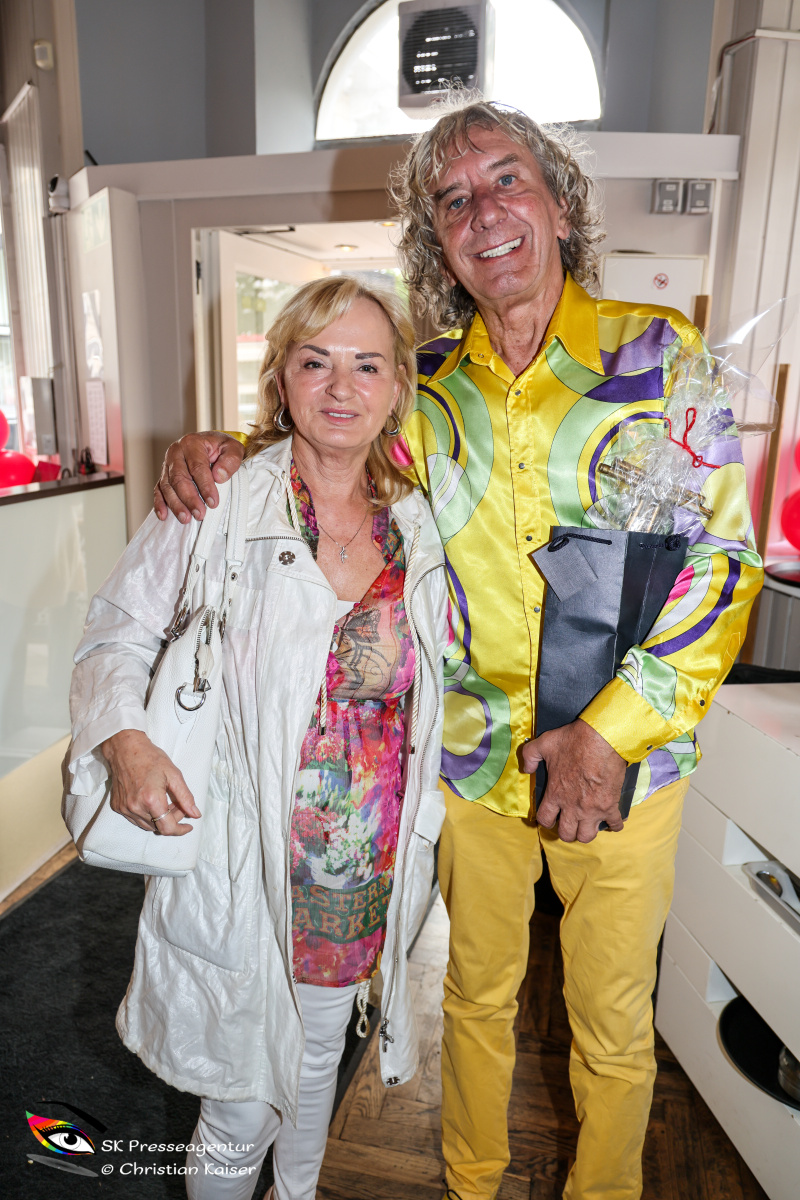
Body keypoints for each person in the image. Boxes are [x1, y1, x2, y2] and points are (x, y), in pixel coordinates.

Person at [155, 101, 762, 1200]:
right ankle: (471, 1187)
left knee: (612, 1023)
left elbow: (721, 566)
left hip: (626, 767)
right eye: (452, 199)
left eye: (506, 179)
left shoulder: (662, 356)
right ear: (437, 240)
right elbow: (326, 446)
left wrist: (610, 733)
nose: (482, 210)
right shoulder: (424, 386)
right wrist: (218, 451)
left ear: (561, 205)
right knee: (473, 1000)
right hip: (474, 765)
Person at [67, 275, 448, 1200]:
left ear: (399, 384)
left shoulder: (422, 518)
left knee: (316, 1057)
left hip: (356, 862)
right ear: (281, 377)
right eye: (316, 361)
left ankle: (298, 1192)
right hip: (242, 852)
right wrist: (125, 741)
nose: (342, 386)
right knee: (240, 1099)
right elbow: (114, 632)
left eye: (368, 365)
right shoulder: (223, 498)